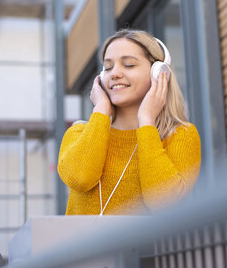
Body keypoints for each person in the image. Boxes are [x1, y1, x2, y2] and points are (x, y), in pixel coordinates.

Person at [58, 29, 201, 215]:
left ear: (158, 74)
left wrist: (146, 122)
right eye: (108, 67)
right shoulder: (78, 133)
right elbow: (81, 178)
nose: (114, 73)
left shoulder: (180, 136)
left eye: (129, 65)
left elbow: (164, 203)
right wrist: (101, 109)